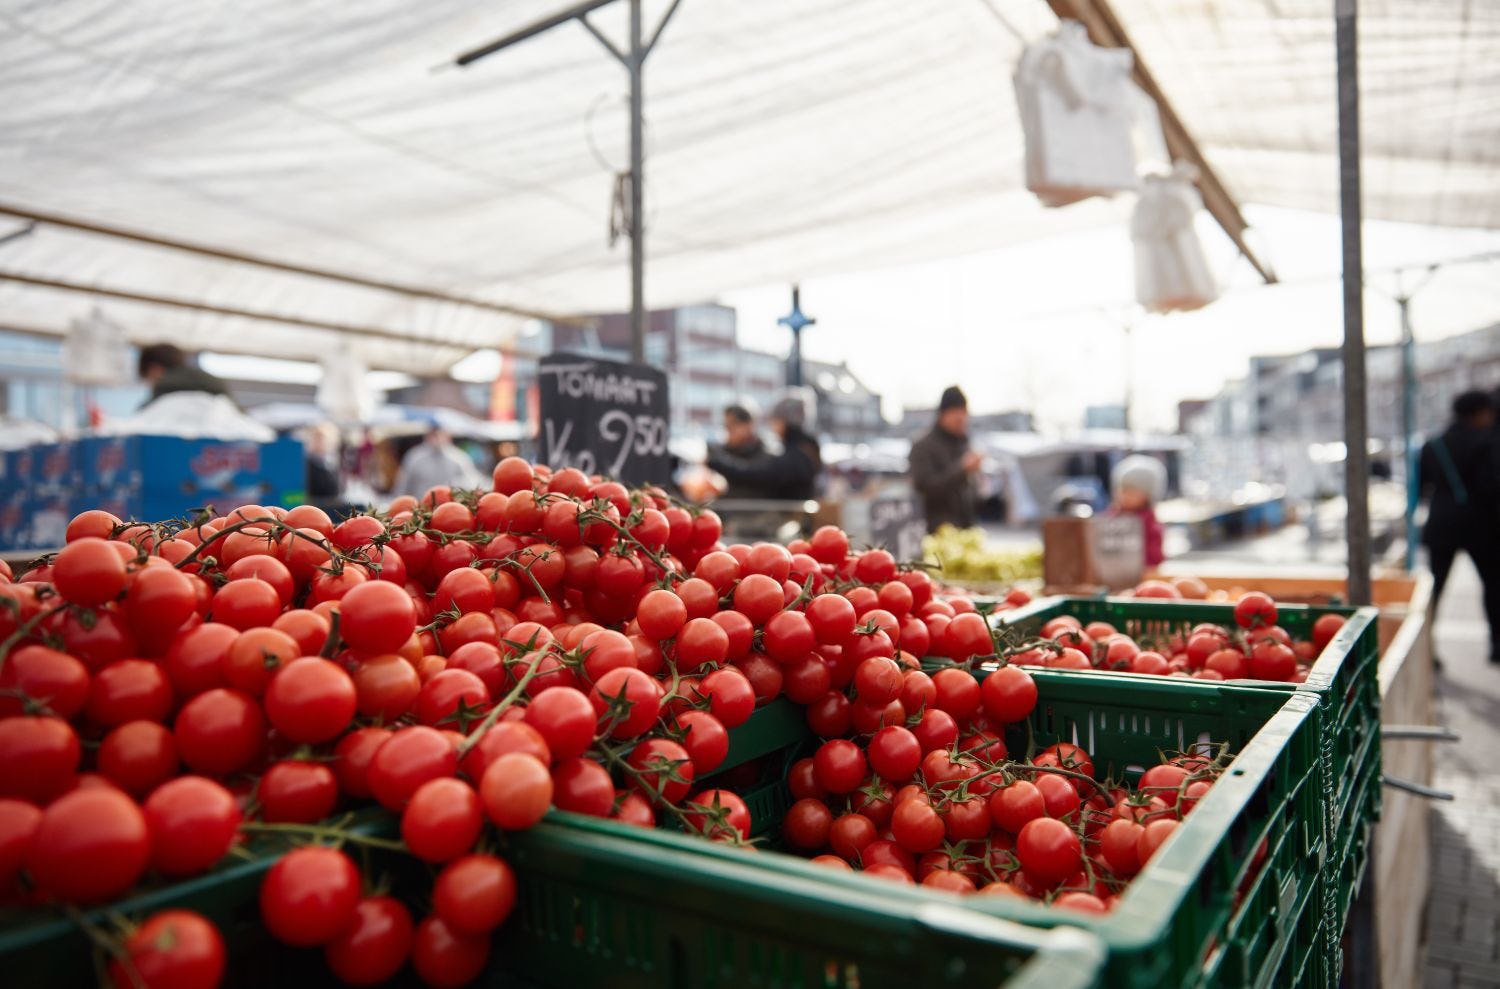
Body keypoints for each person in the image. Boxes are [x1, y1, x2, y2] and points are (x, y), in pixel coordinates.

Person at [1419, 390, 1500, 663]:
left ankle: (1426, 649)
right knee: (1493, 586)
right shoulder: (1488, 443)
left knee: (1435, 590)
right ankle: (1497, 646)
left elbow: (1422, 488)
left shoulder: (1433, 445)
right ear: (1478, 413)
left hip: (1441, 524)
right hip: (1482, 526)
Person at [708, 395, 821, 501]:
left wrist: (715, 462)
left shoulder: (795, 454)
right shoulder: (802, 448)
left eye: (775, 419)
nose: (772, 425)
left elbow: (756, 475)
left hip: (791, 517)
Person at [909, 386, 980, 533]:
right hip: (935, 531)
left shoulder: (963, 442)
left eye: (964, 412)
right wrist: (962, 469)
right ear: (943, 414)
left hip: (966, 528)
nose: (961, 418)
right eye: (956, 412)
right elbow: (925, 487)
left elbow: (970, 492)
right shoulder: (923, 446)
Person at [1108, 454, 1168, 568]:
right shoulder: (1111, 517)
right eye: (1123, 490)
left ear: (1147, 496)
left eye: (1132, 492)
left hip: (1141, 574)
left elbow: (1155, 557)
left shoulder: (1150, 523)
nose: (1125, 496)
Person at [392, 424, 483, 498]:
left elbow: (472, 482)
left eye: (440, 433)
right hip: (420, 511)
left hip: (449, 510)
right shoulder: (414, 457)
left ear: (448, 435)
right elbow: (403, 486)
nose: (437, 437)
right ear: (427, 435)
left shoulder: (459, 458)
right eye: (434, 434)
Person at [137, 343, 231, 402]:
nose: (149, 385)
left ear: (154, 370)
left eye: (147, 379)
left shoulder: (165, 385)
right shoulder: (217, 383)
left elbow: (144, 416)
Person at [715, 404, 771, 500]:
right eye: (726, 427)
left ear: (748, 425)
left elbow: (750, 473)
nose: (727, 433)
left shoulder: (765, 449)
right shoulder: (725, 449)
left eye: (731, 427)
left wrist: (715, 462)